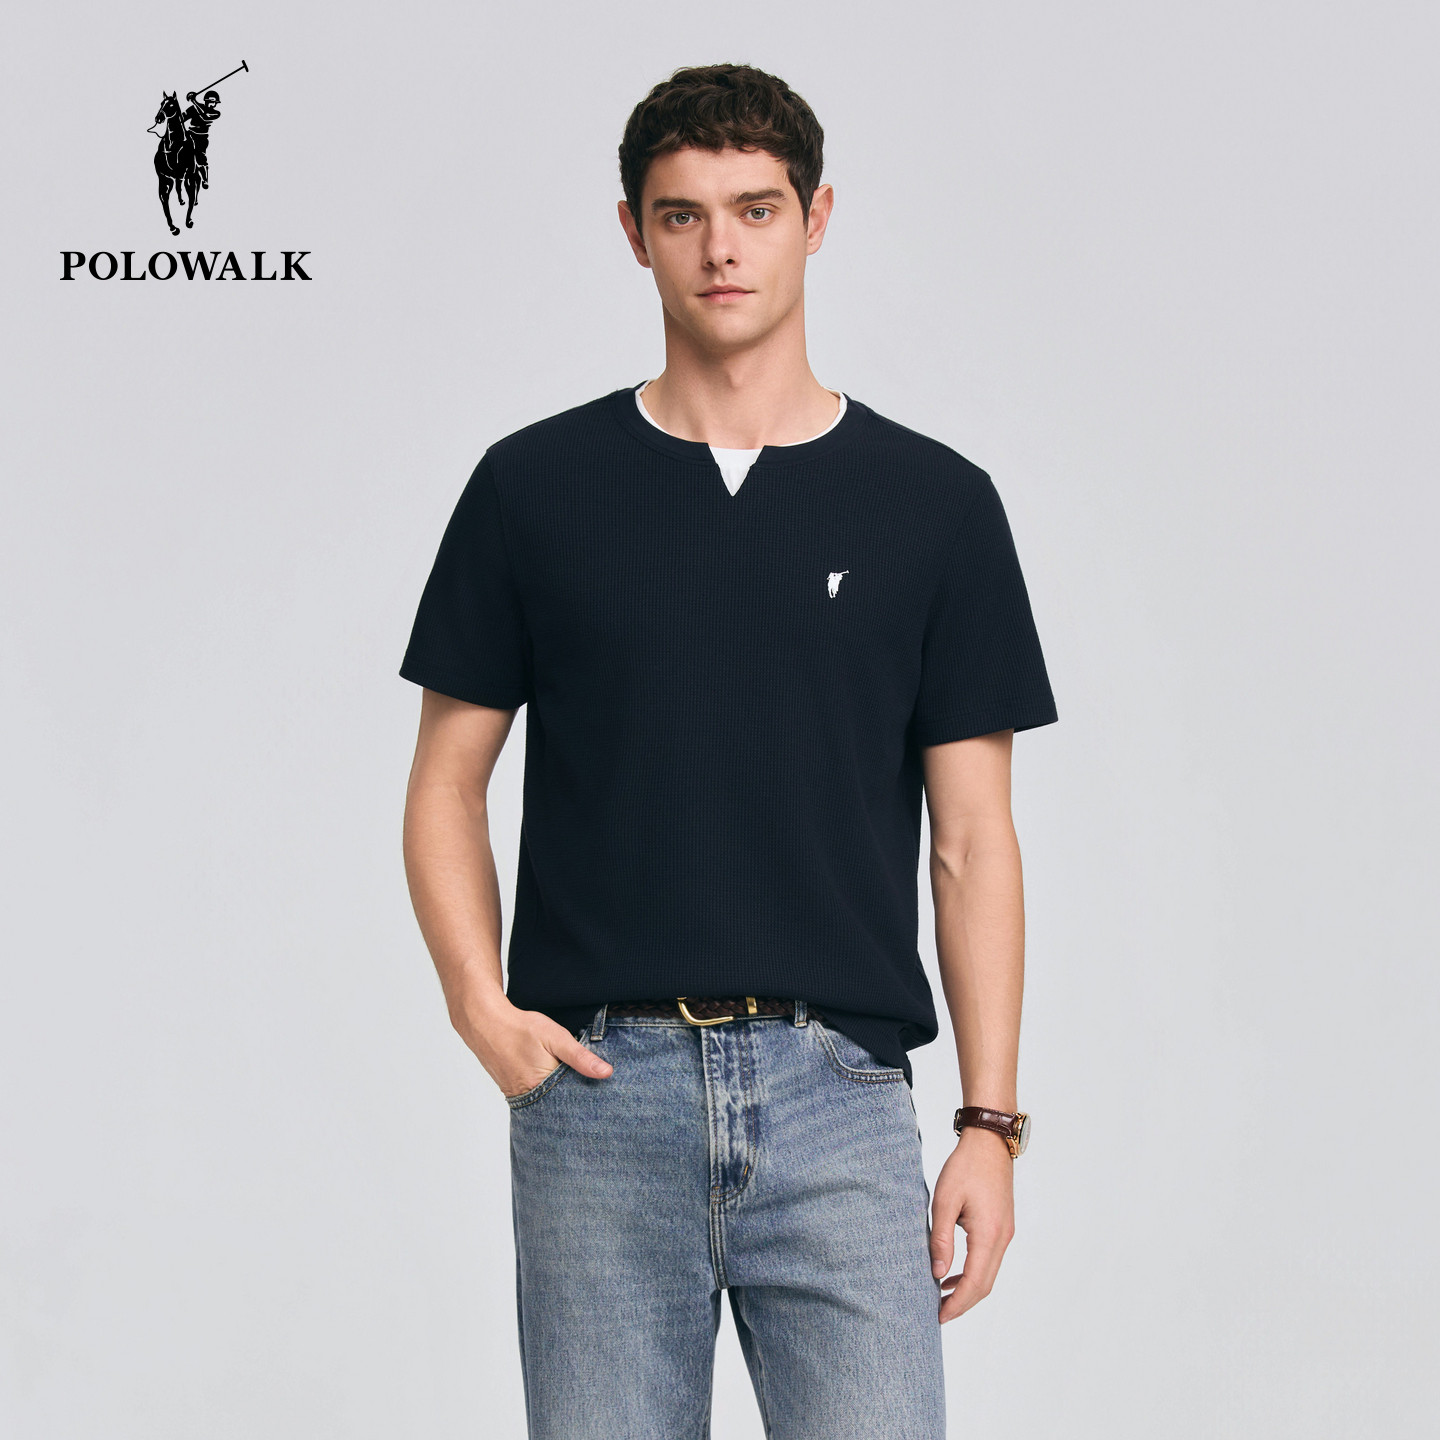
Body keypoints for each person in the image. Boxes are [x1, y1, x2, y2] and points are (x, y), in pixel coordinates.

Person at [399, 63, 1057, 1440]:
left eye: (756, 209)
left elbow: (972, 839)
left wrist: (989, 1125)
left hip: (841, 1101)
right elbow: (446, 783)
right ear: (633, 234)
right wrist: (479, 1007)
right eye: (683, 214)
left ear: (817, 219)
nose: (722, 248)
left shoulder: (935, 505)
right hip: (597, 1098)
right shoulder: (533, 488)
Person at [182, 90, 220, 189]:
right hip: (190, 134)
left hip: (201, 138)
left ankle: (204, 179)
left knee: (200, 157)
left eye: (215, 102)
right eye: (211, 102)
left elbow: (205, 116)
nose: (213, 104)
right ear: (206, 101)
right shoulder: (194, 108)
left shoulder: (216, 113)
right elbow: (182, 118)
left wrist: (194, 101)